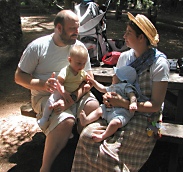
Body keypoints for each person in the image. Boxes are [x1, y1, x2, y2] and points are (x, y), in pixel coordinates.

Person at [72, 12, 170, 172]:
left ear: (141, 38)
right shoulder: (125, 58)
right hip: (117, 111)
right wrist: (109, 98)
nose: (124, 36)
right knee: (87, 137)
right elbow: (114, 87)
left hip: (145, 116)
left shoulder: (159, 64)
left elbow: (155, 105)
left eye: (129, 33)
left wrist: (123, 103)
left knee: (110, 154)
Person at [15, 10, 99, 172]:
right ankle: (45, 168)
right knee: (65, 120)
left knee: (94, 108)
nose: (77, 32)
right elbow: (19, 77)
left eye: (78, 28)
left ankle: (84, 157)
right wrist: (43, 84)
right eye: (72, 29)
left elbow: (89, 79)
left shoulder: (79, 47)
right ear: (59, 28)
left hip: (76, 93)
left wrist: (74, 97)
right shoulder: (37, 47)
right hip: (46, 96)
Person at [79, 66, 140, 142]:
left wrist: (133, 103)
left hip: (121, 113)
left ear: (122, 79)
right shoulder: (113, 87)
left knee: (115, 123)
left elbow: (132, 95)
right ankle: (86, 120)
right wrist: (93, 82)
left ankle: (103, 136)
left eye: (115, 75)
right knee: (98, 110)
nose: (113, 76)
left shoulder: (126, 87)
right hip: (109, 109)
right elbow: (102, 88)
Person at [38, 45, 90, 131]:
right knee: (51, 101)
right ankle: (44, 118)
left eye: (84, 63)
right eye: (79, 63)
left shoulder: (82, 72)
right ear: (70, 60)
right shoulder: (66, 71)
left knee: (72, 110)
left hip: (72, 93)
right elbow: (59, 82)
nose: (82, 66)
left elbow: (87, 80)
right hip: (61, 91)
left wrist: (88, 82)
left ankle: (70, 130)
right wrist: (64, 93)